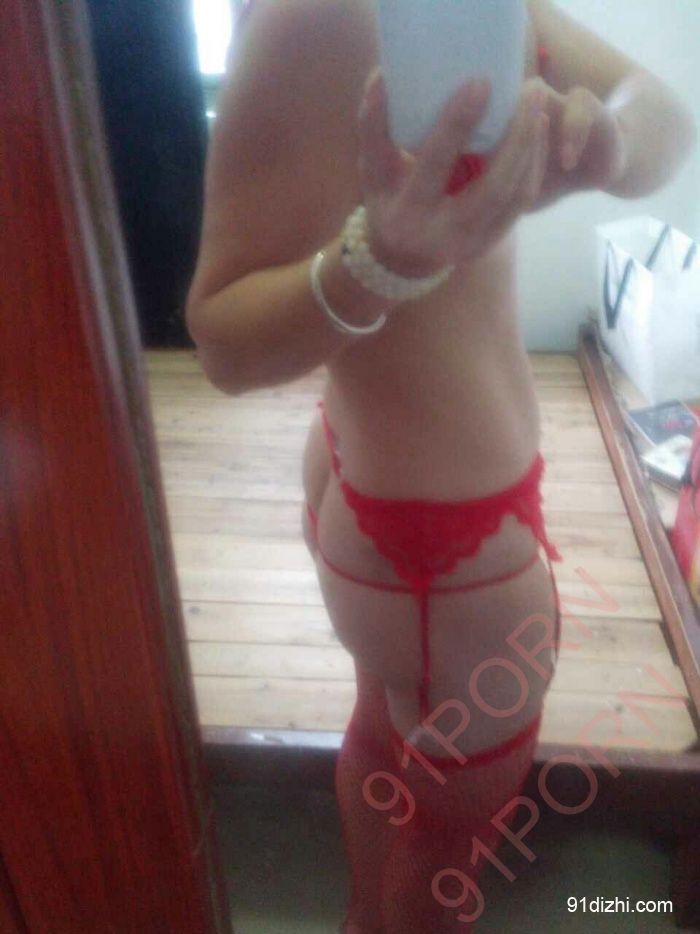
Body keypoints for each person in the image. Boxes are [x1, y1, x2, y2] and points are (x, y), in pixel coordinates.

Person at [185, 1, 696, 930]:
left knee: (384, 741)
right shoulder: (316, 19)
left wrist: (610, 142)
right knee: (446, 841)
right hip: (444, 558)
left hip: (400, 503)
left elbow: (661, 109)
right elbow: (220, 343)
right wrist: (378, 263)